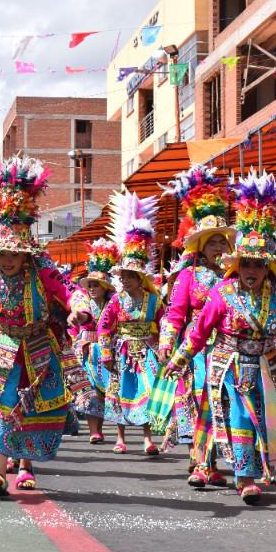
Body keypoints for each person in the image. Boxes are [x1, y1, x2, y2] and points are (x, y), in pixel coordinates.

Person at [166, 172, 276, 506]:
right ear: (236, 264)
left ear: (268, 267)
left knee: (270, 415)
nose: (252, 270)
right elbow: (200, 330)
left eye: (259, 264)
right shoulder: (222, 292)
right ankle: (244, 479)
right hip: (228, 365)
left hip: (270, 365)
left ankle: (259, 470)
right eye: (246, 263)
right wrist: (179, 358)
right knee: (239, 417)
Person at [0, 156, 91, 496]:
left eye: (15, 253)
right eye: (2, 253)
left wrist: (79, 309)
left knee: (31, 405)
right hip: (1, 346)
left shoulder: (41, 269)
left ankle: (26, 466)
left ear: (26, 252)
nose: (9, 258)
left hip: (38, 347)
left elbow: (68, 289)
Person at [158, 164, 233, 483]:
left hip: (228, 347)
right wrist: (166, 341)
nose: (218, 248)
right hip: (197, 348)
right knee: (201, 399)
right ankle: (201, 462)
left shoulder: (233, 276)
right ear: (200, 246)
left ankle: (208, 463)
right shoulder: (187, 276)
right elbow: (175, 313)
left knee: (222, 402)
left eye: (221, 242)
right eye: (212, 242)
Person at [98, 190, 162, 456]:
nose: (124, 280)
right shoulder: (115, 301)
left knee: (148, 390)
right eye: (122, 276)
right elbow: (104, 326)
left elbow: (164, 323)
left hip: (147, 350)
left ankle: (148, 438)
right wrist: (105, 353)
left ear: (139, 279)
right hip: (122, 350)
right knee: (118, 389)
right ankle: (120, 436)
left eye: (129, 276)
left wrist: (163, 347)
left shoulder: (154, 301)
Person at [71, 239, 118, 444]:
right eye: (89, 285)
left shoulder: (114, 302)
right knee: (90, 391)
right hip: (88, 351)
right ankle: (94, 431)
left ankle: (117, 432)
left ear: (105, 287)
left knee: (112, 390)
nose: (91, 288)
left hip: (110, 350)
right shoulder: (81, 300)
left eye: (95, 285)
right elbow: (80, 314)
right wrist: (79, 318)